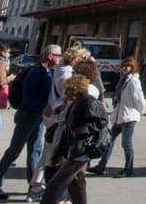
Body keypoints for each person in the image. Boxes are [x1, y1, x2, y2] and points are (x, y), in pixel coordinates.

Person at [0, 44, 61, 201]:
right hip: (28, 116)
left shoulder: (47, 72)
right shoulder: (35, 72)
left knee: (35, 151)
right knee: (14, 151)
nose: (60, 58)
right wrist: (43, 108)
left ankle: (33, 186)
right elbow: (28, 98)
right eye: (58, 55)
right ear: (50, 56)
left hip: (38, 118)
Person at [28, 45, 90, 201]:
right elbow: (66, 98)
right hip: (59, 119)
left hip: (54, 118)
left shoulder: (59, 71)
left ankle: (40, 187)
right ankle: (41, 190)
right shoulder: (68, 74)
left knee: (51, 156)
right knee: (54, 157)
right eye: (84, 58)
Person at [40, 75, 108, 204]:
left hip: (82, 149)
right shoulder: (76, 103)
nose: (66, 93)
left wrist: (81, 130)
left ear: (77, 90)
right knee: (77, 183)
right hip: (75, 148)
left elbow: (102, 121)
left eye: (69, 90)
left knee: (57, 183)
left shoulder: (90, 102)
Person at [89, 56, 145, 177]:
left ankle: (128, 169)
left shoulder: (133, 81)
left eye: (127, 66)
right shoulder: (124, 80)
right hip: (120, 115)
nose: (124, 68)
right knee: (109, 141)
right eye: (123, 66)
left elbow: (139, 98)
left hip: (129, 116)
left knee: (126, 144)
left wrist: (140, 110)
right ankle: (101, 166)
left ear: (132, 67)